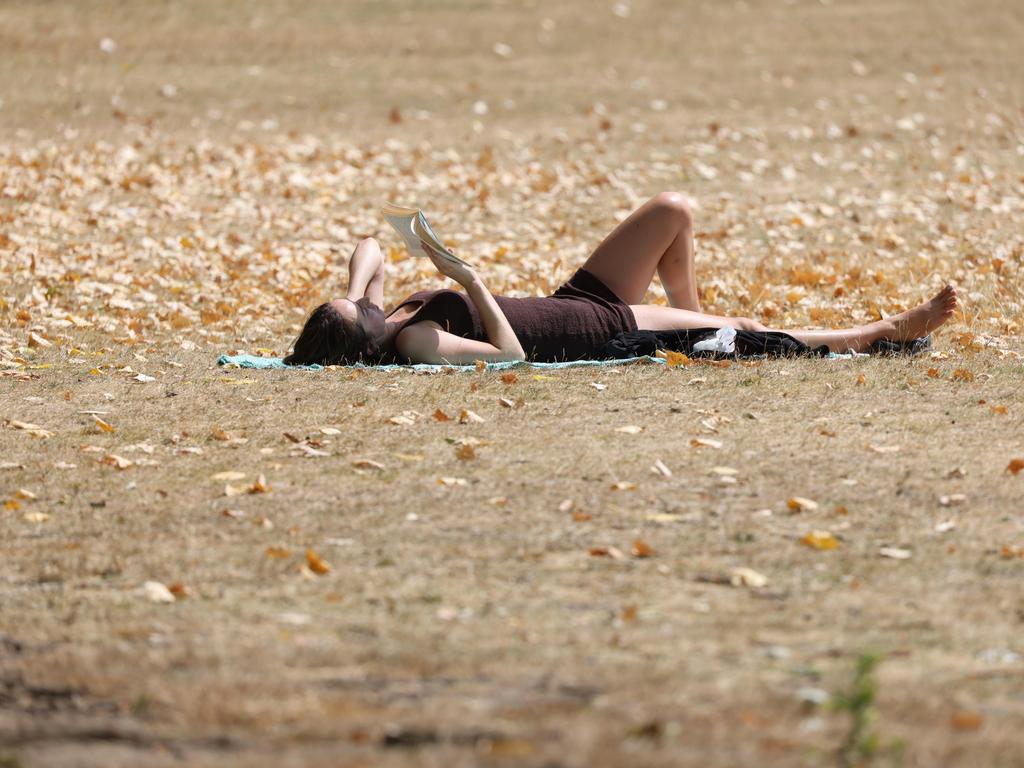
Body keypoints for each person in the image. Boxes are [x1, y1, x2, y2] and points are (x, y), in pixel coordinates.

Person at [283, 193, 958, 366]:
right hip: (597, 328)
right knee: (750, 333)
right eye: (357, 309)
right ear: (367, 337)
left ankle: (703, 324)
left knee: (672, 212)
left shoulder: (385, 319)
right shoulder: (414, 344)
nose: (360, 299)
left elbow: (371, 247)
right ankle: (879, 333)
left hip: (574, 299)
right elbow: (511, 357)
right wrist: (467, 278)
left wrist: (355, 290)